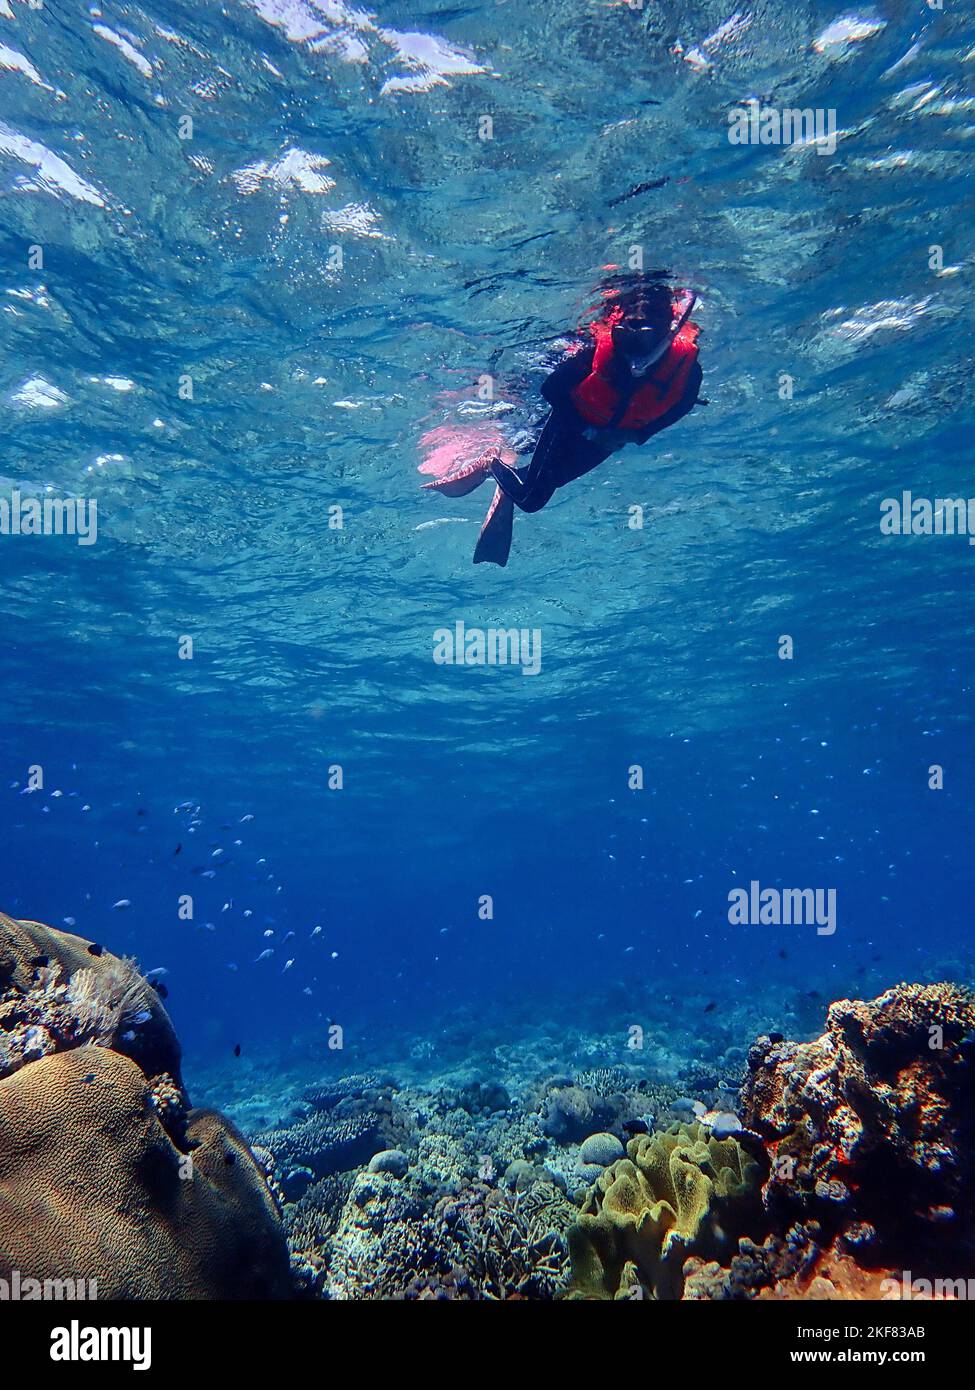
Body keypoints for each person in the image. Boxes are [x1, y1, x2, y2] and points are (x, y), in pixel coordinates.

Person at [422, 277, 704, 566]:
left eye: (649, 331)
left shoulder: (685, 367)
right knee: (531, 500)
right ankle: (489, 463)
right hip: (569, 423)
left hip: (607, 438)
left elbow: (679, 407)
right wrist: (590, 429)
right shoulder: (598, 351)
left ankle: (509, 480)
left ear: (669, 326)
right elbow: (552, 389)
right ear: (622, 323)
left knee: (541, 488)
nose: (640, 341)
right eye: (632, 329)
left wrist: (635, 435)